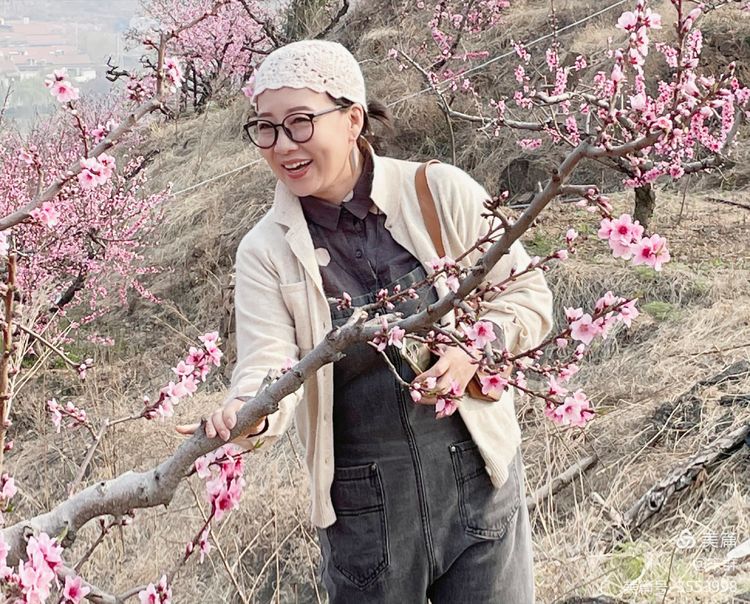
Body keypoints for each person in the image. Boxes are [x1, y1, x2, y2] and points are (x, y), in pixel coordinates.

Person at [178, 40, 553, 603]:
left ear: (352, 119)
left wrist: (475, 349)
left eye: (300, 123)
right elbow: (269, 362)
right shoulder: (265, 250)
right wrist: (249, 412)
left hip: (477, 482)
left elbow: (526, 292)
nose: (282, 145)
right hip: (364, 510)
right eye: (266, 128)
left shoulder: (437, 191)